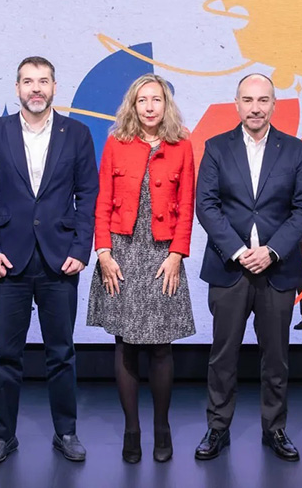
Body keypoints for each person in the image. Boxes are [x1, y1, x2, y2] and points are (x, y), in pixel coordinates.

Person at [0, 56, 98, 465]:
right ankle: (2, 437)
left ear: (55, 87)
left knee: (61, 353)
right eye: (28, 81)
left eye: (43, 81)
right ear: (17, 89)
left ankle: (66, 432)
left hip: (59, 259)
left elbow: (88, 196)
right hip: (7, 260)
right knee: (5, 354)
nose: (36, 88)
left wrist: (81, 250)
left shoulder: (77, 133)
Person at [194, 73, 302, 461]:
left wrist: (273, 251)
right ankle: (217, 428)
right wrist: (236, 250)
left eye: (263, 100)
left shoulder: (296, 150)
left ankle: (275, 429)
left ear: (274, 105)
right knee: (222, 355)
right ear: (237, 103)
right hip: (229, 268)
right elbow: (207, 205)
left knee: (276, 357)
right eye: (248, 100)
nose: (255, 107)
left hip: (277, 269)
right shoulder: (215, 147)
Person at [87, 73, 196, 464]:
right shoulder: (116, 143)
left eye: (157, 100)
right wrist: (103, 254)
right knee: (126, 343)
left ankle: (162, 427)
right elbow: (102, 200)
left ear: (166, 105)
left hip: (163, 252)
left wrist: (176, 255)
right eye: (142, 100)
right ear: (132, 106)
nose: (150, 107)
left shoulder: (182, 145)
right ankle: (131, 429)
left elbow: (188, 205)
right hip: (122, 251)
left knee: (161, 345)